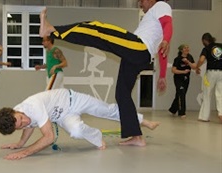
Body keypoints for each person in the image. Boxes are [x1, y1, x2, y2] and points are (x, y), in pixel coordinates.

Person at [39, 0, 173, 146]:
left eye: (141, 1)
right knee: (122, 94)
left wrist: (166, 39)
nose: (140, 5)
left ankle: (52, 30)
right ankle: (136, 137)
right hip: (138, 56)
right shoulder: (151, 17)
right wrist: (162, 76)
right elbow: (163, 49)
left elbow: (167, 24)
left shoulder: (161, 5)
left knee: (97, 29)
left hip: (139, 47)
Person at [0, 89, 160, 160]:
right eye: (20, 124)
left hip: (74, 99)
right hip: (63, 115)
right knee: (76, 132)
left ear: (15, 111)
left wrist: (25, 153)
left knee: (108, 110)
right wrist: (20, 144)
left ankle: (143, 121)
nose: (25, 121)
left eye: (21, 118)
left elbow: (49, 137)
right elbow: (29, 126)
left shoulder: (32, 105)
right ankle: (97, 137)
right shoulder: (17, 117)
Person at [196, 33, 222, 123]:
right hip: (221, 72)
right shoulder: (220, 46)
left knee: (207, 93)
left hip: (211, 73)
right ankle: (221, 113)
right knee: (220, 94)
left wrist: (197, 67)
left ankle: (204, 116)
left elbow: (201, 60)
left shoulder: (206, 48)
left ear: (204, 40)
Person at [169, 44, 196, 118]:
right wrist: (183, 72)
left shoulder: (190, 57)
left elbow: (194, 66)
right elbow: (173, 70)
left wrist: (188, 62)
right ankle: (182, 112)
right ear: (181, 50)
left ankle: (173, 109)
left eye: (188, 47)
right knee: (181, 93)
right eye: (185, 48)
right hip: (178, 79)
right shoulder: (177, 59)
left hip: (186, 79)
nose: (187, 49)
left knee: (180, 94)